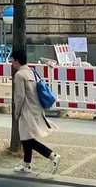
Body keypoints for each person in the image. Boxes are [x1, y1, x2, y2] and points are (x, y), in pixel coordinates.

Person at [10, 47, 60, 175]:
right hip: (36, 108)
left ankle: (52, 156)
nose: (12, 64)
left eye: (12, 61)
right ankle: (26, 165)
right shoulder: (31, 72)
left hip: (27, 110)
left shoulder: (19, 75)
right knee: (27, 137)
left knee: (28, 139)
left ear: (16, 61)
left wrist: (16, 112)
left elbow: (19, 96)